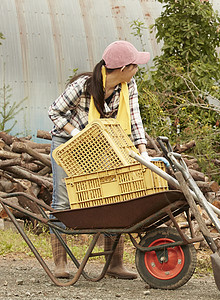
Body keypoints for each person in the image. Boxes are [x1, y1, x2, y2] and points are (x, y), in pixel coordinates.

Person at [48, 40, 151, 279]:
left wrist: (142, 151)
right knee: (62, 200)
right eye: (135, 65)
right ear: (124, 68)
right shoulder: (83, 85)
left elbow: (134, 119)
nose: (137, 70)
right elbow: (54, 111)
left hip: (101, 145)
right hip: (67, 143)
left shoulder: (129, 85)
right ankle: (60, 265)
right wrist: (77, 134)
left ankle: (114, 264)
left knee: (113, 196)